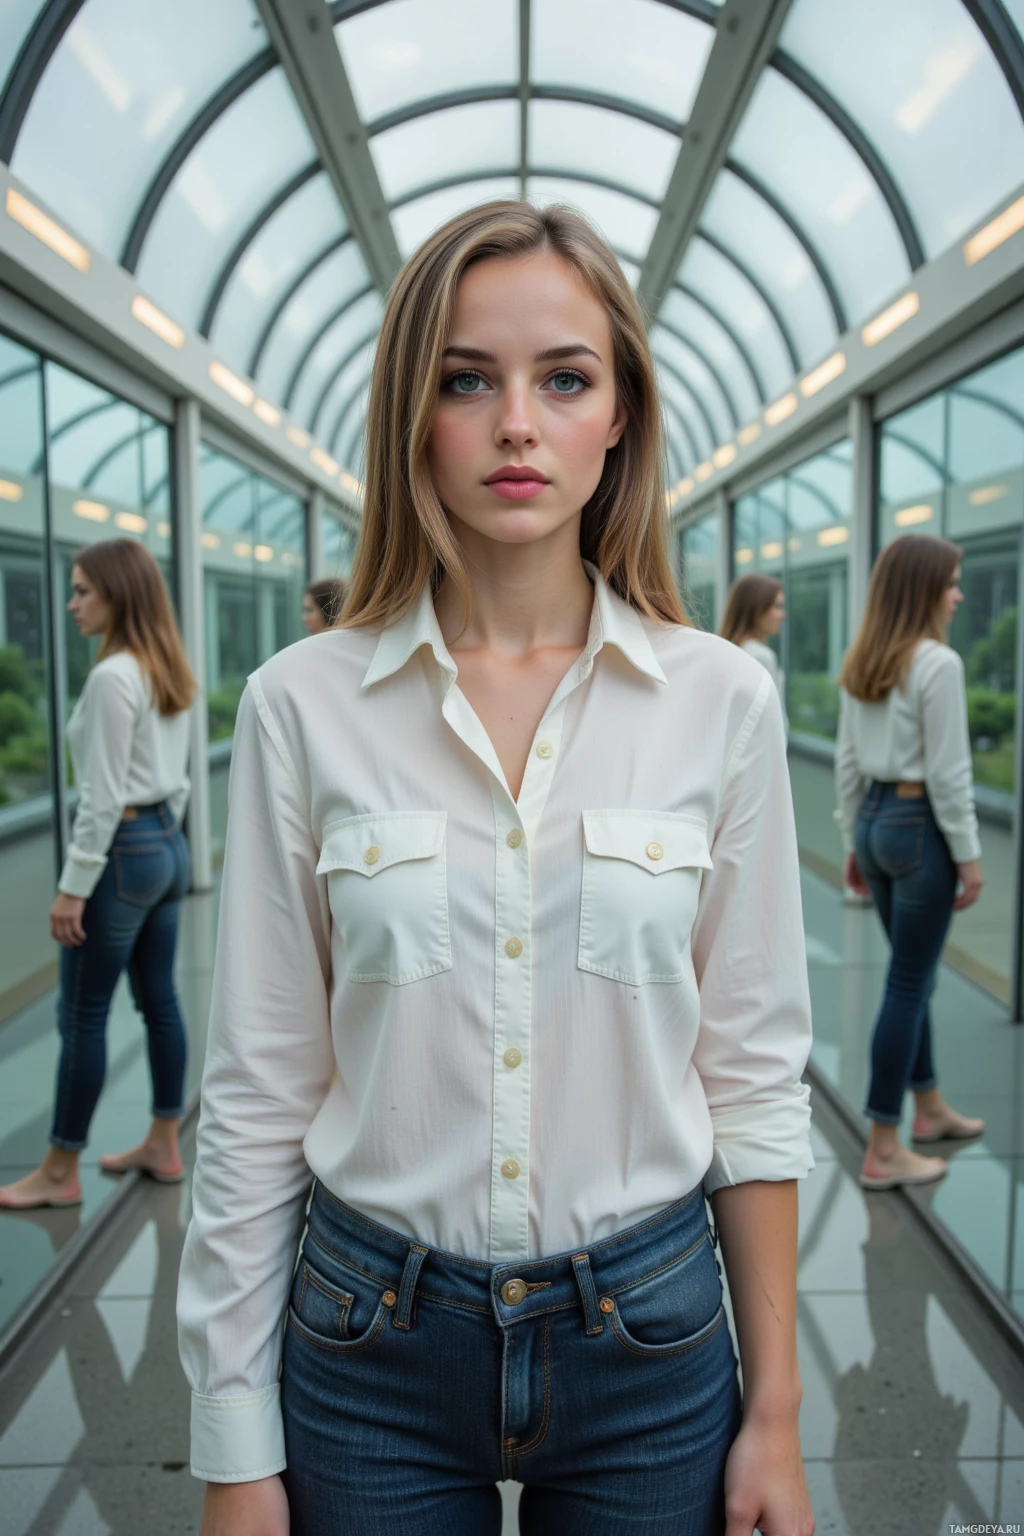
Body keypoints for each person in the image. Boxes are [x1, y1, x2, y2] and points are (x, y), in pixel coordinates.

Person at [178, 201, 815, 1536]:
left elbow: (752, 1074)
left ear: (620, 415)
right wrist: (233, 1446)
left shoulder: (722, 702)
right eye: (468, 379)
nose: (517, 423)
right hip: (368, 1342)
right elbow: (256, 1086)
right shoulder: (303, 704)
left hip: (650, 1336)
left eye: (563, 378)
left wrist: (779, 1415)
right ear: (413, 412)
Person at [0, 539, 195, 1211]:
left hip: (126, 849)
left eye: (84, 590)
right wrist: (164, 841)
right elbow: (182, 772)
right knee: (158, 1000)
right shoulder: (163, 665)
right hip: (167, 840)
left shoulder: (114, 676)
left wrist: (72, 886)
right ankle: (165, 1142)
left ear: (118, 594)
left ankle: (58, 1171)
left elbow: (103, 798)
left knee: (81, 1015)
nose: (71, 602)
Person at [835, 535, 985, 1193]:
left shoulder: (866, 659)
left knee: (911, 978)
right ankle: (884, 1146)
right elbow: (951, 774)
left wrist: (853, 840)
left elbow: (846, 758)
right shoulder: (938, 664)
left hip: (874, 821)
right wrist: (971, 858)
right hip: (921, 827)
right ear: (925, 588)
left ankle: (927, 1108)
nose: (957, 595)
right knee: (907, 984)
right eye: (951, 583)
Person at [720, 572, 786, 711]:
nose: (783, 615)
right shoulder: (761, 657)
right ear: (756, 609)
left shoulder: (728, 651)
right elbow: (771, 717)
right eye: (777, 607)